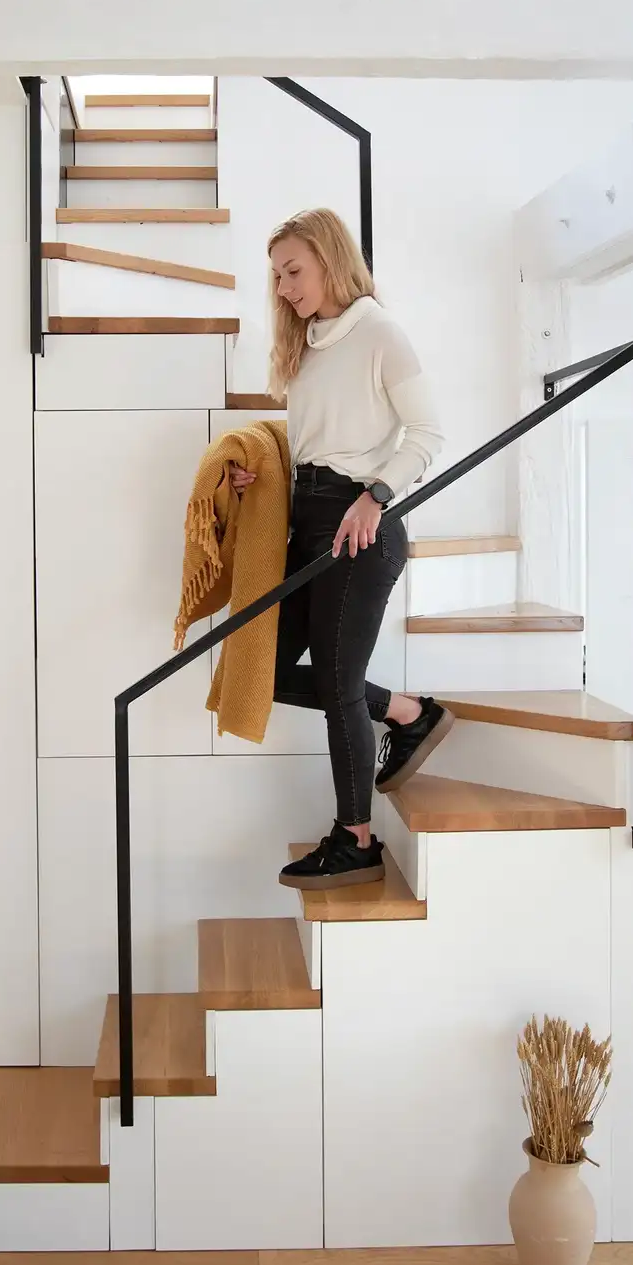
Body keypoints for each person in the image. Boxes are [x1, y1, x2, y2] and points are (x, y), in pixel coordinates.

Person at [232, 207, 453, 889]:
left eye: (292, 270)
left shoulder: (380, 333)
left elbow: (428, 434)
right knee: (260, 675)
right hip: (308, 521)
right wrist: (260, 476)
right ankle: (410, 714)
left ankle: (355, 839)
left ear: (330, 259)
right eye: (276, 275)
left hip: (360, 527)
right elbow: (314, 445)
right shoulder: (307, 345)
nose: (283, 287)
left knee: (336, 686)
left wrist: (376, 495)